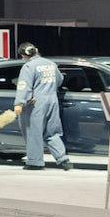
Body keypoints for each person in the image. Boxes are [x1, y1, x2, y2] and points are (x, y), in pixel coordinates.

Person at [13, 42, 71, 171]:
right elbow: (59, 80)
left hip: (35, 103)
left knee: (33, 132)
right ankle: (63, 159)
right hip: (52, 100)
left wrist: (19, 103)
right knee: (52, 132)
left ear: (23, 55)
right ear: (36, 50)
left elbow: (24, 86)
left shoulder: (28, 66)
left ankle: (35, 162)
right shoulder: (51, 64)